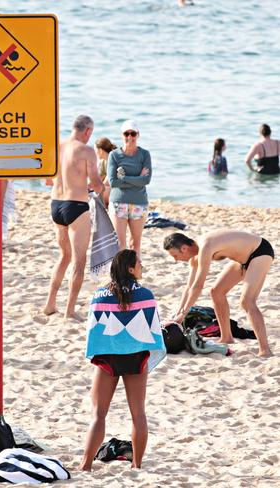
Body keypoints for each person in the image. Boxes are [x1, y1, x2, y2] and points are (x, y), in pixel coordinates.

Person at [79, 249, 165, 471]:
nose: (142, 266)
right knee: (138, 413)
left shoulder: (99, 294)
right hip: (136, 358)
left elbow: (93, 329)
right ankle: (136, 465)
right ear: (130, 268)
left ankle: (85, 464)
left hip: (108, 357)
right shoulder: (146, 295)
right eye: (139, 263)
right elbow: (152, 330)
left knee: (98, 414)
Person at [163, 231, 274, 357]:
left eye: (175, 256)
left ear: (184, 248)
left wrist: (183, 315)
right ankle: (227, 337)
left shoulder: (205, 246)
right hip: (242, 260)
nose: (175, 260)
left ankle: (265, 350)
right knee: (216, 292)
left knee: (247, 301)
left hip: (259, 252)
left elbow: (198, 286)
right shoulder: (194, 258)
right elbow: (189, 287)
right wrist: (178, 314)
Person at [43, 115, 104, 318]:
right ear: (87, 131)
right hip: (76, 206)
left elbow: (48, 180)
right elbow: (95, 183)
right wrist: (100, 186)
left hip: (56, 205)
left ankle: (50, 303)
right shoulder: (87, 151)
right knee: (79, 261)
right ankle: (69, 310)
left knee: (63, 256)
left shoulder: (57, 146)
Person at [107, 120, 152, 258]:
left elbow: (146, 180)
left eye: (133, 134)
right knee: (120, 244)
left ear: (138, 135)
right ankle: (121, 277)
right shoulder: (114, 155)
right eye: (127, 134)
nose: (130, 137)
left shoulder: (144, 154)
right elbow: (113, 182)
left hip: (139, 203)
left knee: (135, 244)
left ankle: (135, 274)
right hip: (118, 203)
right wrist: (137, 178)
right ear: (122, 135)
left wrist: (124, 178)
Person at [95, 137, 116, 207]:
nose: (95, 153)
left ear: (100, 150)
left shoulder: (114, 159)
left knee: (101, 191)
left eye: (96, 150)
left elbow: (107, 182)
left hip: (122, 191)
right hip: (112, 190)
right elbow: (98, 179)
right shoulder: (103, 161)